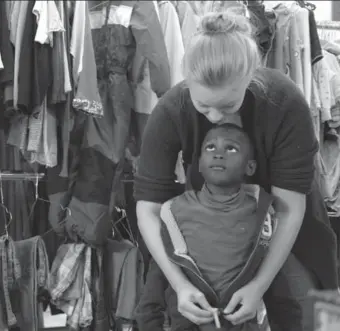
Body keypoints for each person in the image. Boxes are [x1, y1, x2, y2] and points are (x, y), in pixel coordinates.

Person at [134, 10, 338, 331]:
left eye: (228, 106)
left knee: (309, 314)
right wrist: (180, 284)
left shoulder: (285, 101)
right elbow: (148, 206)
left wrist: (259, 285)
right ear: (188, 81)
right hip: (210, 224)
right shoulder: (171, 109)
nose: (214, 116)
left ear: (250, 78)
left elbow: (290, 208)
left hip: (290, 220)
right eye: (203, 107)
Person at [136, 123, 274, 331]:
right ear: (199, 164)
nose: (218, 154)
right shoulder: (175, 210)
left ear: (250, 167)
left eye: (231, 148)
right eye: (210, 147)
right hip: (186, 321)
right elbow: (160, 271)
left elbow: (270, 270)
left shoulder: (262, 212)